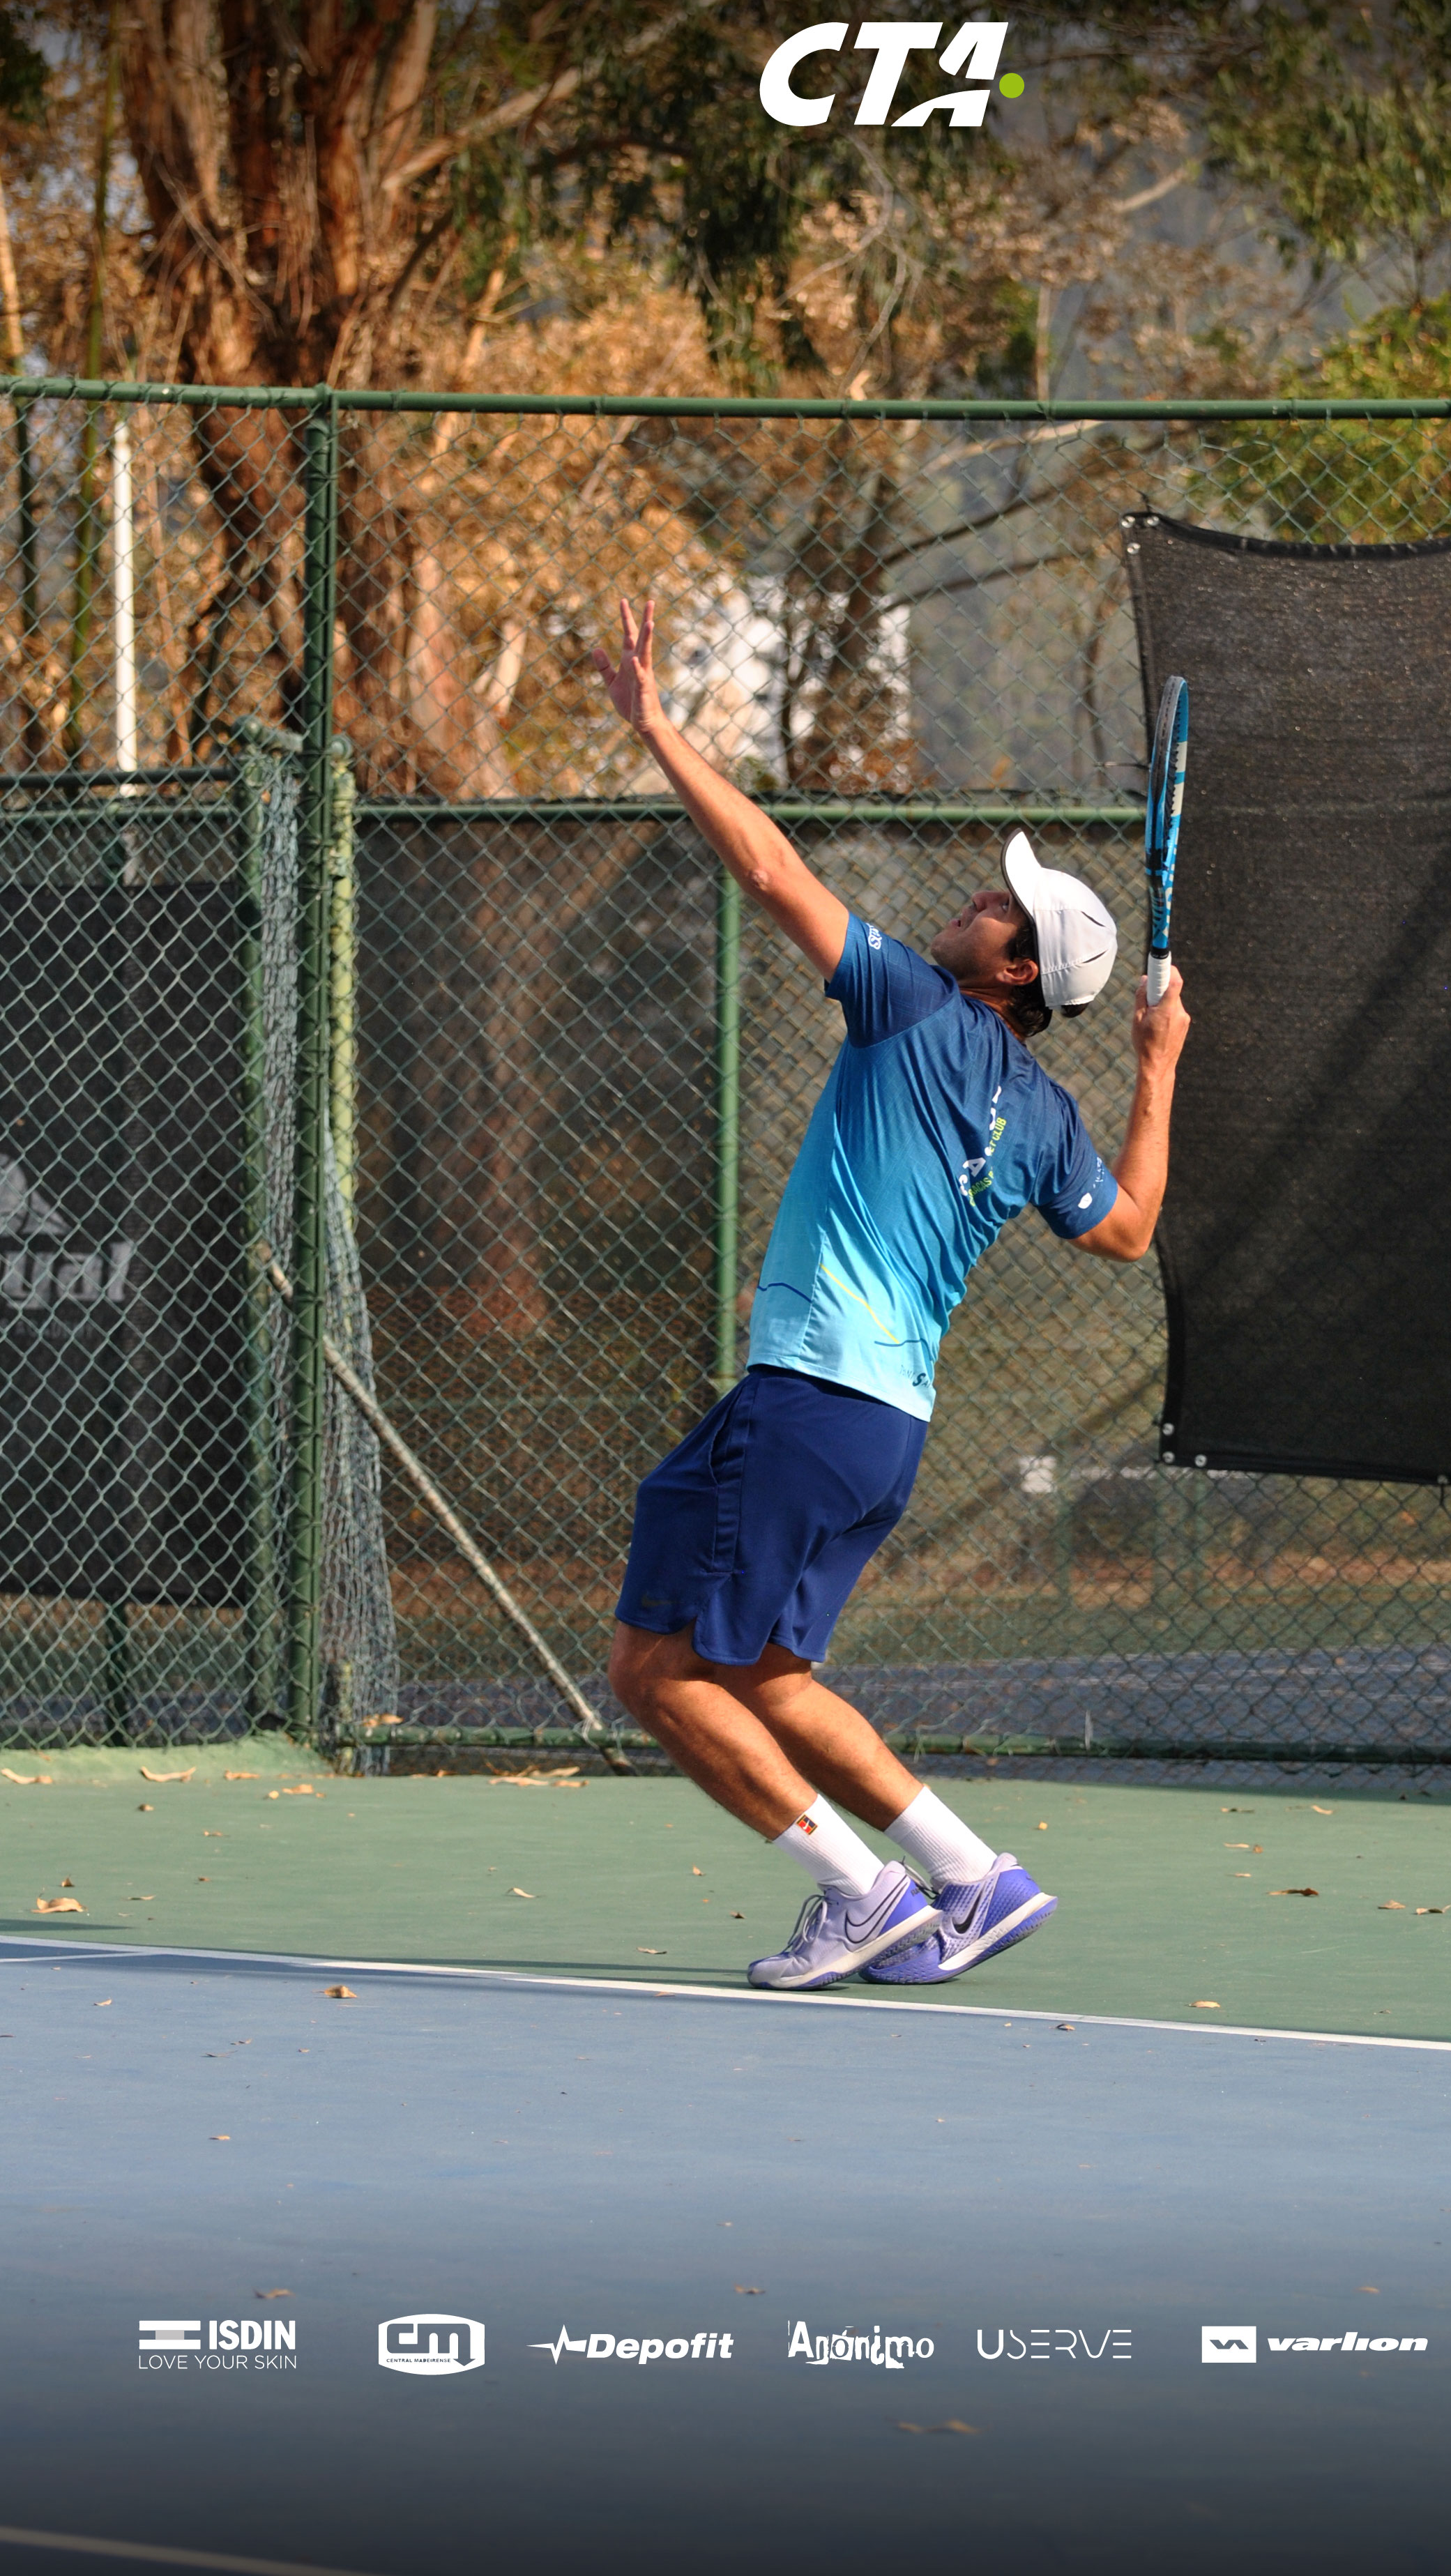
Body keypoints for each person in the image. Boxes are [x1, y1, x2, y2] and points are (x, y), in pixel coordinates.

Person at [594, 598, 1190, 1990]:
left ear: (1019, 970)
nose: (983, 897)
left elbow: (766, 864)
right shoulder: (1044, 1116)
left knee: (660, 1675)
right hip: (878, 1431)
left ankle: (861, 1890)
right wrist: (1161, 1066)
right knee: (760, 1674)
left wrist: (660, 729)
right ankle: (974, 1874)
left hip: (811, 1402)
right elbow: (1132, 1226)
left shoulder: (915, 1004)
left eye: (1006, 908)